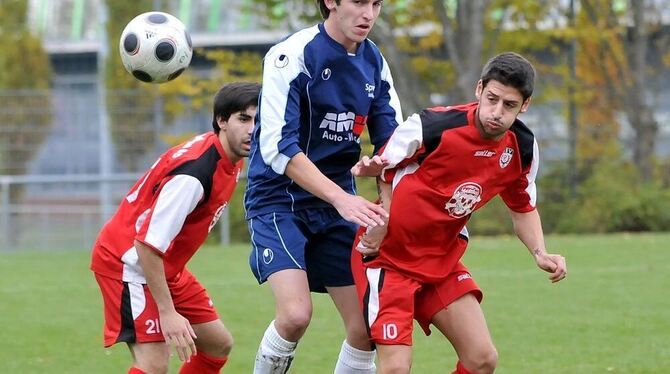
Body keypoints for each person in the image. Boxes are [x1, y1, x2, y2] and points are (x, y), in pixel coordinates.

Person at [350, 52, 568, 374]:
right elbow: (384, 171)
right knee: (395, 368)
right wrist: (383, 218)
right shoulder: (433, 126)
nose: (496, 112)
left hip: (442, 260)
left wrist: (539, 251)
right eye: (492, 99)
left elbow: (522, 208)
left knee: (481, 359)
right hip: (388, 259)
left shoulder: (521, 147)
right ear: (479, 89)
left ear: (525, 105)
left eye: (509, 105)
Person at [244, 0, 403, 372]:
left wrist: (385, 214)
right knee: (296, 315)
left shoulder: (375, 63)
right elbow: (278, 149)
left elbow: (392, 148)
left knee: (366, 328)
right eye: (360, 2)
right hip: (278, 201)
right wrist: (341, 198)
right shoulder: (291, 55)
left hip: (335, 205)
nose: (369, 14)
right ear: (331, 1)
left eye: (377, 4)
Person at [90, 82, 261, 374]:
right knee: (154, 365)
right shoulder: (194, 177)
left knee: (217, 344)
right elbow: (146, 245)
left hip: (164, 265)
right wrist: (168, 313)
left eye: (259, 121)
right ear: (221, 121)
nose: (252, 129)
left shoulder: (224, 156)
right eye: (243, 119)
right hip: (129, 262)